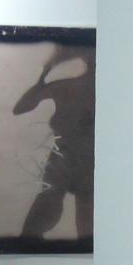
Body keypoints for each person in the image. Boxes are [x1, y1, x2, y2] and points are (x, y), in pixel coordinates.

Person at [12, 44, 95, 239]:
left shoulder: (66, 86)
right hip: (70, 158)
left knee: (82, 215)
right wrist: (42, 78)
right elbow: (20, 108)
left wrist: (43, 78)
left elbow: (21, 107)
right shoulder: (67, 87)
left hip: (79, 160)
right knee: (67, 209)